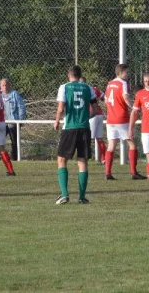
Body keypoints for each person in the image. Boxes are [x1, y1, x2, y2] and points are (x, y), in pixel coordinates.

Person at [54, 65, 99, 204]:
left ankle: (65, 194)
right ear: (80, 75)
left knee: (62, 160)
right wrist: (86, 117)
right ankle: (81, 197)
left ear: (69, 74)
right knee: (82, 161)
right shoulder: (88, 88)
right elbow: (96, 109)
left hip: (70, 128)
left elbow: (61, 108)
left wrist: (56, 121)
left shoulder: (64, 87)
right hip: (84, 128)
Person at [103, 64, 146, 180]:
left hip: (110, 119)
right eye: (127, 72)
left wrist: (112, 109)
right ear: (121, 73)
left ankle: (108, 173)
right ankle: (133, 172)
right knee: (132, 143)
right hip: (121, 118)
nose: (128, 74)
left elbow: (106, 101)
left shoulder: (110, 84)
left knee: (111, 145)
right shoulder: (123, 83)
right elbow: (126, 97)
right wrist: (135, 108)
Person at [79, 77, 106, 165]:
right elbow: (103, 96)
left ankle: (84, 157)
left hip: (92, 114)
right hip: (99, 114)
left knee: (88, 137)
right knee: (99, 138)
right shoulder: (93, 88)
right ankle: (104, 159)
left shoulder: (82, 89)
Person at [0, 78, 26, 161]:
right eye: (3, 85)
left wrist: (20, 119)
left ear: (9, 85)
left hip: (13, 122)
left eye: (6, 85)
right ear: (0, 86)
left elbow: (21, 106)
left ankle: (14, 158)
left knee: (14, 141)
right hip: (2, 122)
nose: (5, 87)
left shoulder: (14, 94)